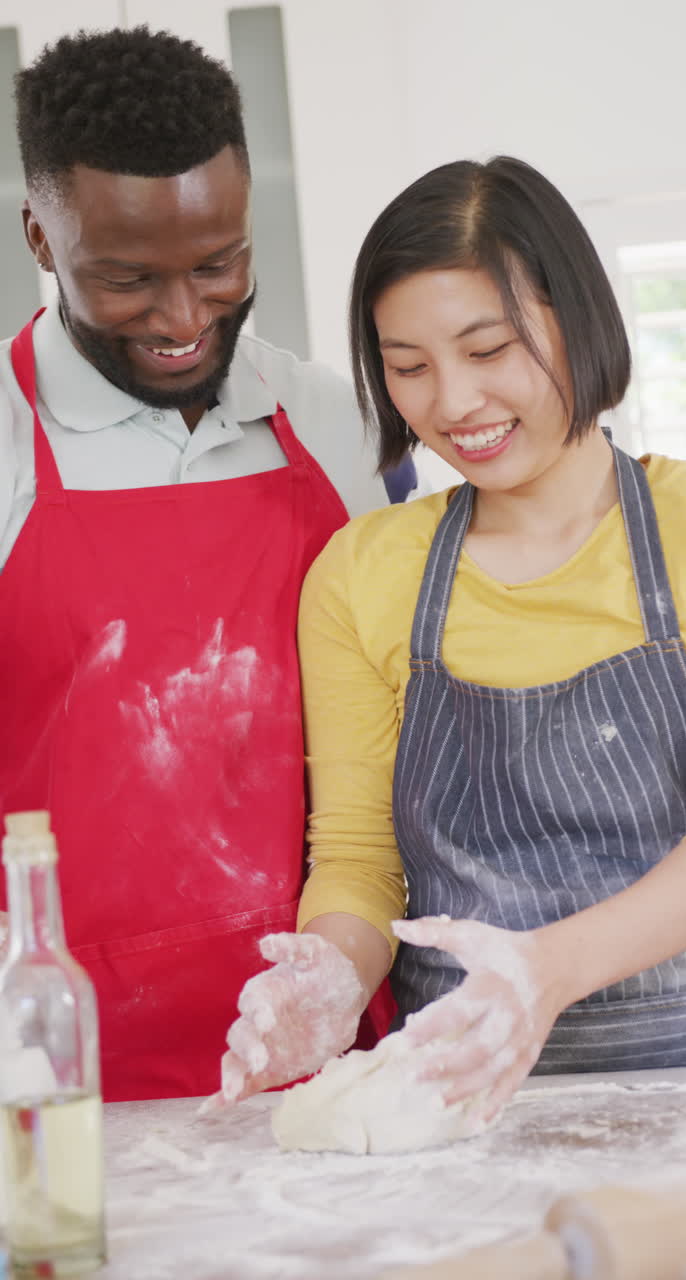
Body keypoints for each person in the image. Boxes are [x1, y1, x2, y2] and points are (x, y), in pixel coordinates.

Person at [217, 155, 686, 1120]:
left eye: (488, 350)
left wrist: (542, 972)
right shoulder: (363, 573)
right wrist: (327, 977)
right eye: (408, 367)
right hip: (452, 1103)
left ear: (578, 315)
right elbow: (361, 862)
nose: (452, 404)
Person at [0, 25, 412, 1103]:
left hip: (329, 1045)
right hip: (57, 1066)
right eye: (129, 279)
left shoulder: (330, 418)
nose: (184, 318)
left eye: (219, 263)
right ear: (42, 237)